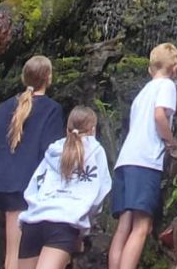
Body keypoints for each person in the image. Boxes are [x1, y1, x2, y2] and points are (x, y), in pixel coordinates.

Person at [0, 56, 64, 269]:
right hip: (21, 185)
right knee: (13, 257)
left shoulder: (4, 107)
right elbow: (50, 152)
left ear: (23, 77)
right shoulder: (52, 109)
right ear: (48, 77)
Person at [107, 43, 177, 269]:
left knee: (124, 226)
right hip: (145, 162)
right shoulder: (167, 85)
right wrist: (171, 142)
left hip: (125, 161)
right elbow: (159, 116)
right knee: (142, 227)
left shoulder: (143, 92)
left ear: (151, 68)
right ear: (175, 67)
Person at [17, 106, 111, 269]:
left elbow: (34, 185)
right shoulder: (95, 151)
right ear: (93, 129)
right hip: (65, 222)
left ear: (67, 128)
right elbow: (99, 195)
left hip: (33, 221)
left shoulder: (53, 150)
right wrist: (84, 226)